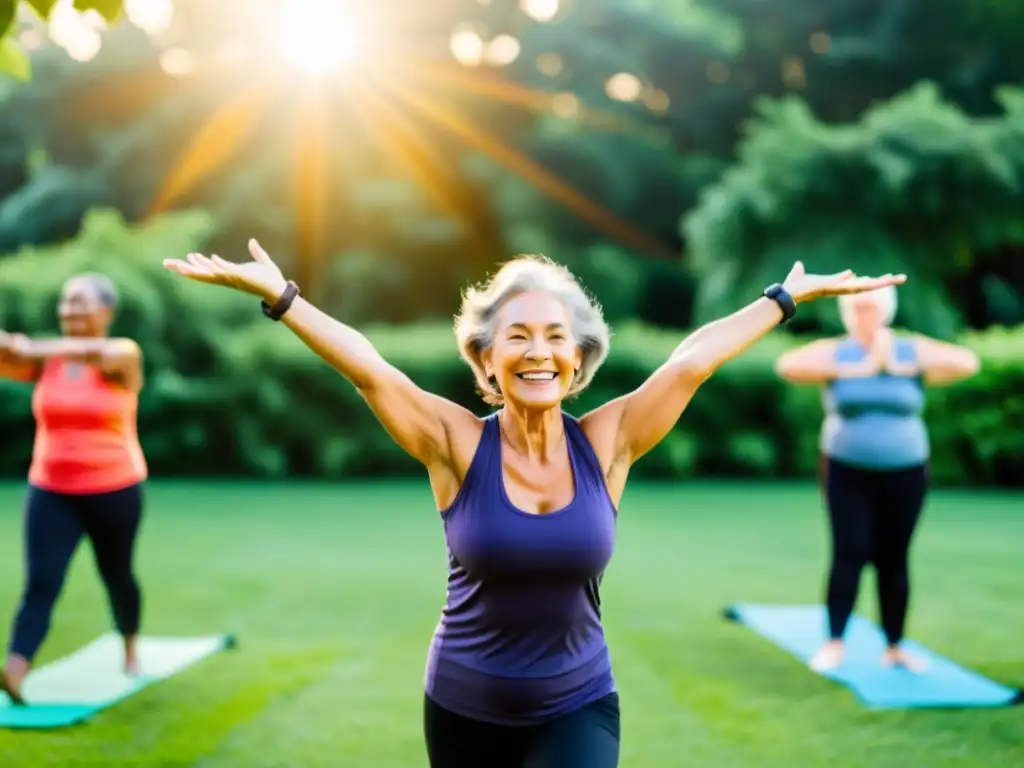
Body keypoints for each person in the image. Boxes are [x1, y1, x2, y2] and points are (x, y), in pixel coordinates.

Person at [164, 240, 903, 767]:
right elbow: (369, 368)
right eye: (516, 336)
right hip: (461, 709)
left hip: (578, 701)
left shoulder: (607, 443)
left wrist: (783, 299)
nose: (538, 350)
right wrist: (282, 297)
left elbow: (692, 362)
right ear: (486, 360)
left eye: (556, 336)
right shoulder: (454, 444)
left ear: (578, 360)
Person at [775, 285, 979, 673]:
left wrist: (903, 366)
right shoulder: (838, 351)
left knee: (894, 558)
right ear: (847, 313)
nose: (865, 314)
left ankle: (895, 646)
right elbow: (787, 365)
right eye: (858, 308)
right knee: (849, 551)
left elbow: (966, 362)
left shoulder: (908, 350)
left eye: (872, 307)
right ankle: (835, 643)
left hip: (907, 469)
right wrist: (859, 368)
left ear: (887, 310)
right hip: (846, 468)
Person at [0, 273, 147, 705]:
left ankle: (130, 647)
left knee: (117, 575)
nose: (70, 311)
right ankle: (14, 671)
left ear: (107, 312)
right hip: (51, 489)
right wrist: (12, 346)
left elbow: (94, 352)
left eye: (81, 303)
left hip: (115, 488)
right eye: (66, 302)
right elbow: (7, 357)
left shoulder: (123, 354)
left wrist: (27, 346)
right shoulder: (49, 362)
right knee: (41, 582)